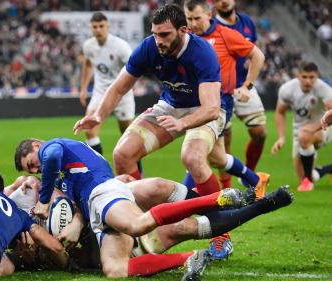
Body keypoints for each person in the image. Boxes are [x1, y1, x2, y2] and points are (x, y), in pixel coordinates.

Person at [73, 4, 267, 200]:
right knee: (122, 154)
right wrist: (98, 115)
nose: (158, 41)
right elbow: (118, 87)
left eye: (165, 34)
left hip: (206, 109)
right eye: (155, 34)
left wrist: (182, 123)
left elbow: (212, 108)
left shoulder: (203, 52)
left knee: (193, 157)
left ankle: (220, 225)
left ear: (183, 31)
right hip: (170, 106)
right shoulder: (149, 47)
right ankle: (142, 222)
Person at [14, 137, 257, 278]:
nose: (36, 170)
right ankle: (190, 258)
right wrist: (76, 222)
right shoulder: (63, 176)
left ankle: (216, 200)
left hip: (104, 196)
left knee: (141, 221)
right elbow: (75, 200)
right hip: (99, 217)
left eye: (32, 164)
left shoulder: (52, 148)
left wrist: (44, 200)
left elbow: (53, 156)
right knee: (115, 269)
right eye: (31, 170)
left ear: (37, 145)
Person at [183, 0, 266, 260]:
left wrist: (248, 86)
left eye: (197, 18)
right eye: (189, 19)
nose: (193, 24)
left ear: (209, 14)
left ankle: (188, 207)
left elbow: (257, 55)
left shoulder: (226, 34)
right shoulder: (187, 38)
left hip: (219, 106)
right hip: (197, 104)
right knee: (217, 158)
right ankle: (256, 181)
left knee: (196, 156)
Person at [214, 0, 268, 188]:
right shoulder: (212, 26)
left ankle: (247, 175)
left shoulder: (247, 22)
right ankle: (226, 188)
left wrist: (247, 84)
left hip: (243, 85)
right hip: (219, 89)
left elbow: (255, 53)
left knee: (260, 133)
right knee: (224, 138)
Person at [79, 12, 135, 157]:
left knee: (128, 135)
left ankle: (137, 173)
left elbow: (134, 67)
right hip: (100, 92)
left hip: (122, 93)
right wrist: (83, 88)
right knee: (89, 130)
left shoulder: (121, 46)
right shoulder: (88, 46)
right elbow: (87, 64)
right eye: (94, 27)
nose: (98, 29)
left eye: (101, 26)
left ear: (107, 26)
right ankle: (100, 170)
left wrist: (129, 86)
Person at [271, 62, 332, 191]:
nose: (308, 81)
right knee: (305, 174)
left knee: (304, 136)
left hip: (324, 128)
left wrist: (314, 128)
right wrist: (281, 137)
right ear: (298, 75)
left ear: (317, 76)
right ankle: (327, 170)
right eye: (304, 77)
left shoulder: (323, 89)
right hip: (299, 131)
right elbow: (280, 112)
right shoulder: (287, 89)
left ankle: (307, 182)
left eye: (312, 77)